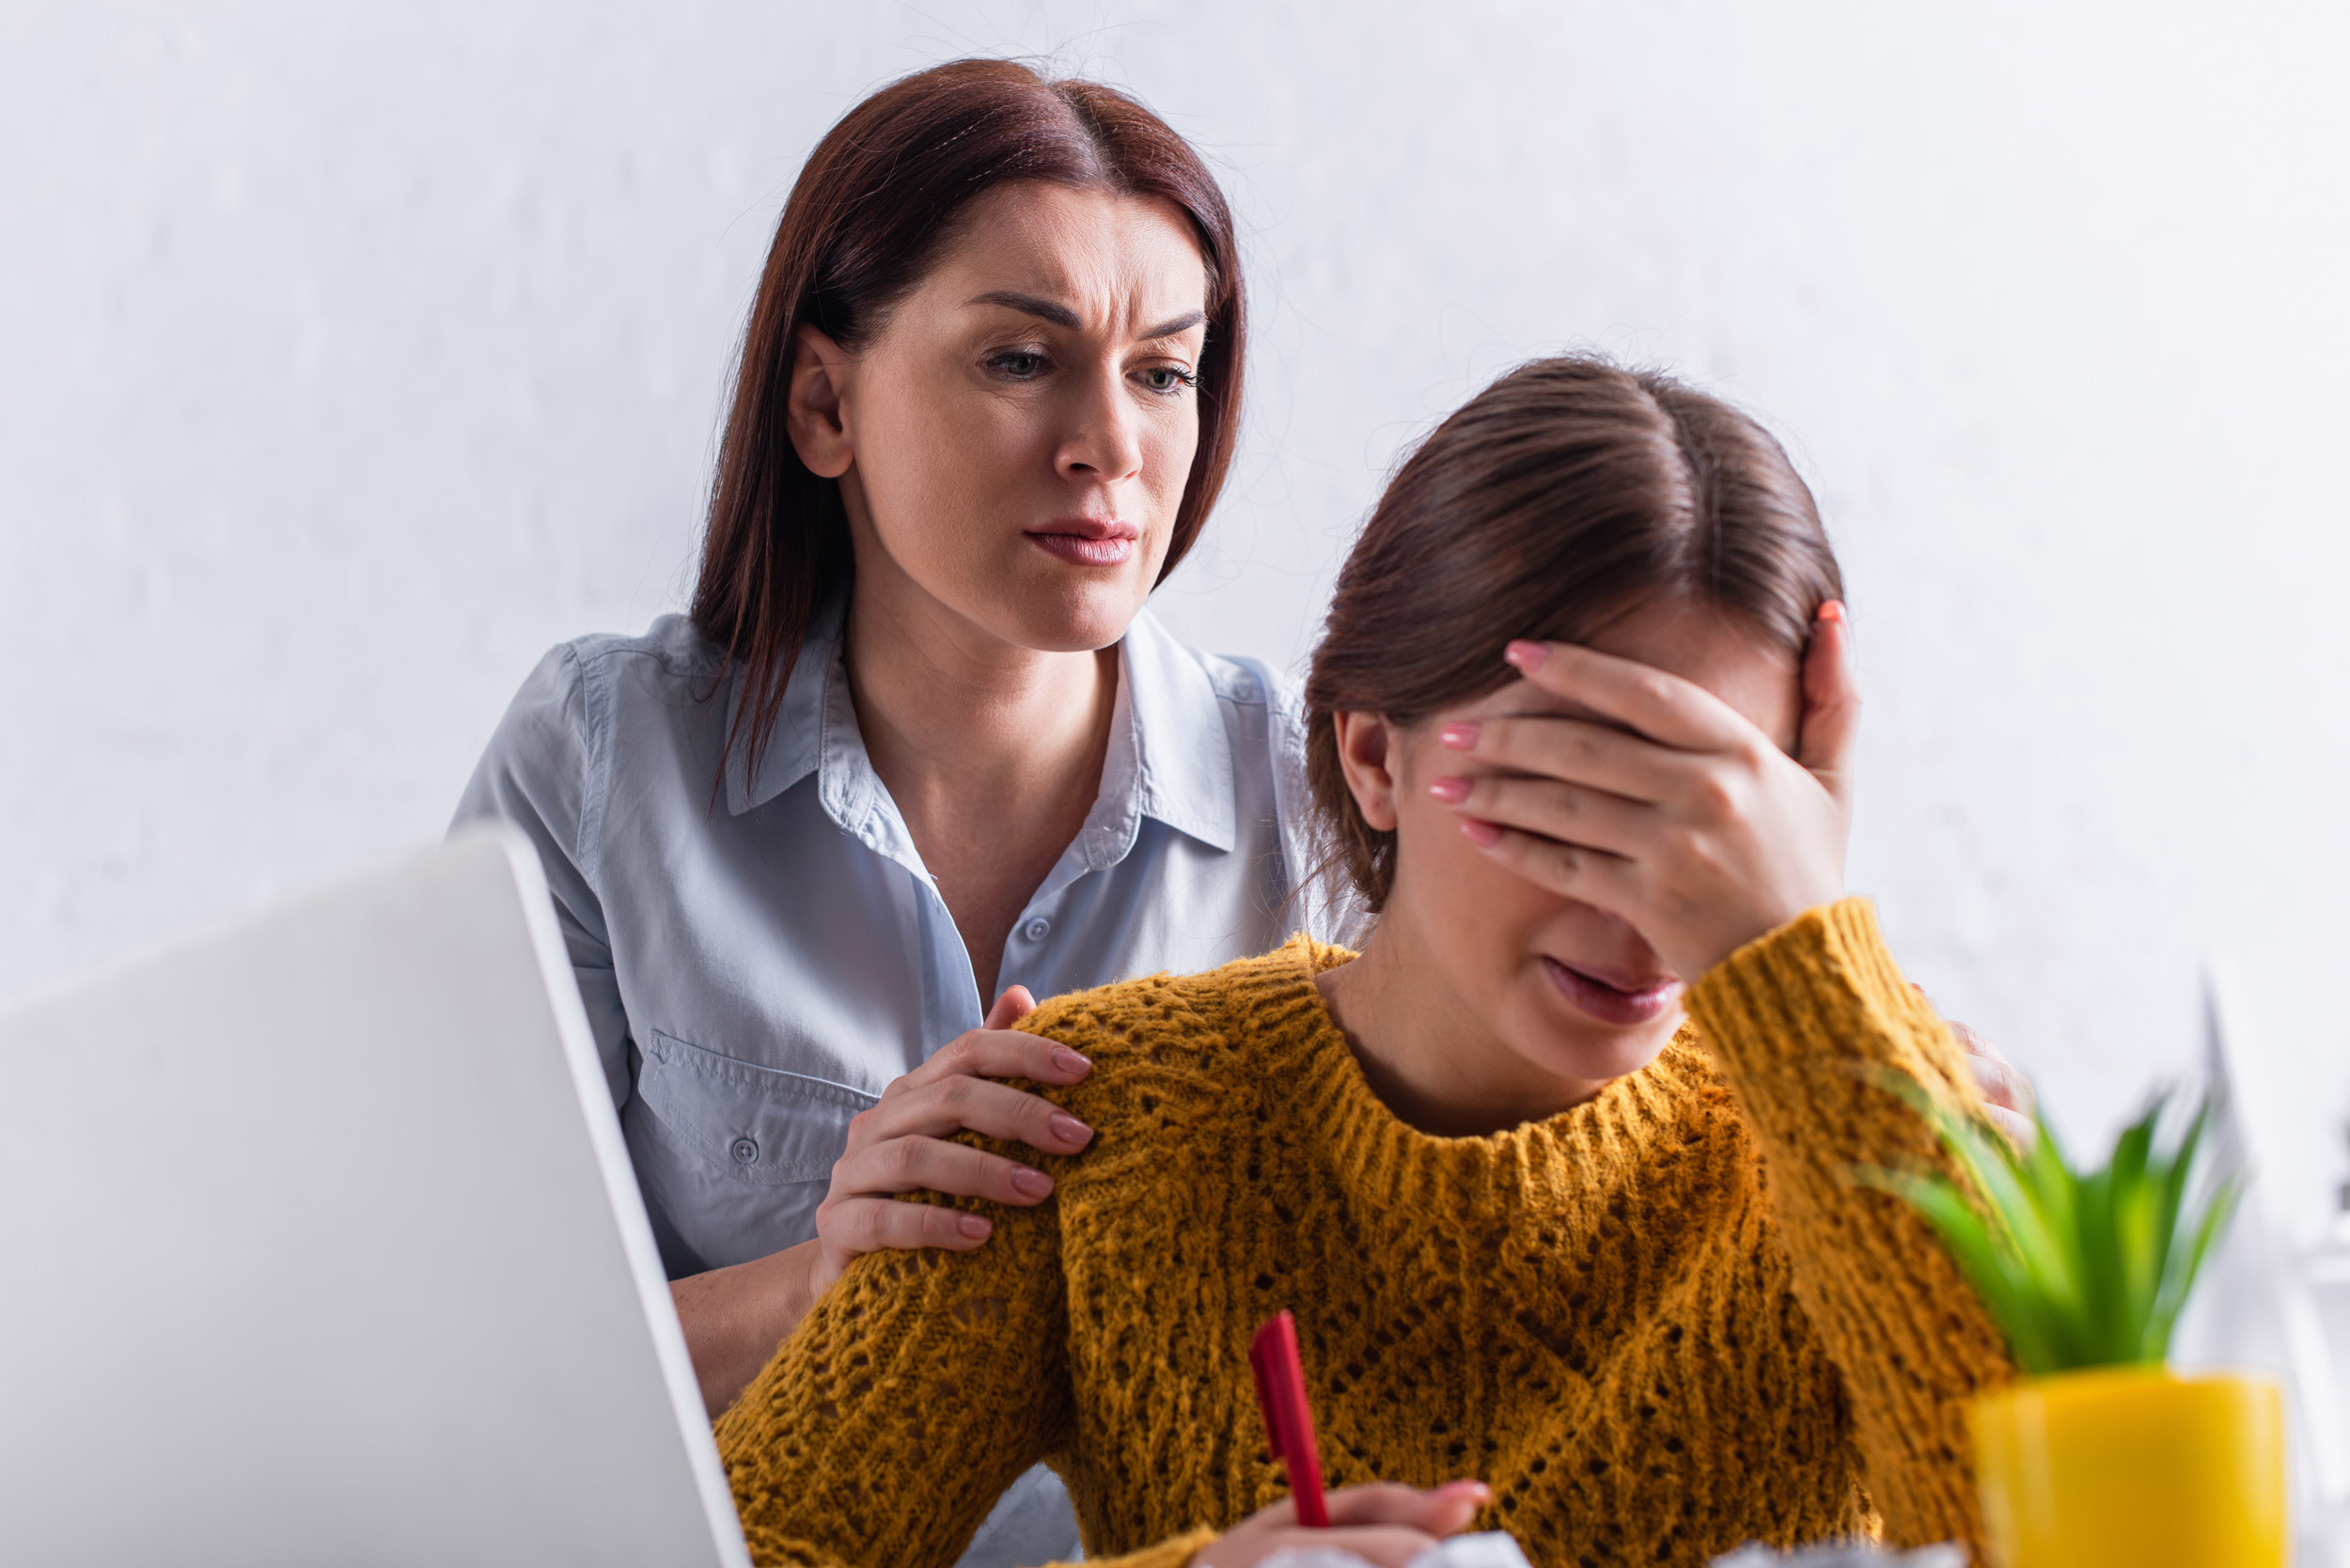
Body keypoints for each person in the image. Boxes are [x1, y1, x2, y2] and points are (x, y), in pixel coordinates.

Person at [713, 356, 2018, 1568]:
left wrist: (1818, 1001)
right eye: (1572, 797)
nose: (1648, 914)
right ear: (1373, 758)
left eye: (1723, 822)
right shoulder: (1089, 1118)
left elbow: (2037, 1530)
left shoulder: (1879, 1140)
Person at [452, 58, 1354, 1564]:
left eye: (1163, 371)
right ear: (824, 403)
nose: (1111, 447)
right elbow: (463, 1370)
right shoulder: (606, 759)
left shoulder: (1307, 796)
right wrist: (828, 1276)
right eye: (1022, 360)